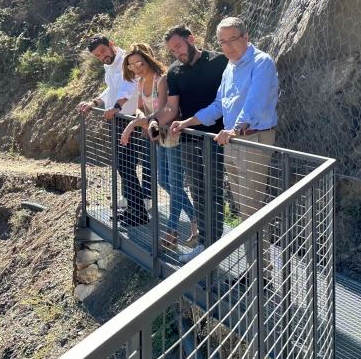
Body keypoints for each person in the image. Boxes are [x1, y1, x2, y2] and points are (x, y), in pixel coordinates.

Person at [170, 17, 278, 269]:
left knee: (251, 208)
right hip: (233, 142)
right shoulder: (229, 68)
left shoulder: (261, 62)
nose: (228, 46)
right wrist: (187, 122)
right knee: (243, 208)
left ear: (246, 37)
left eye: (233, 39)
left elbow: (255, 103)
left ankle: (260, 273)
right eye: (222, 41)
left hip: (253, 140)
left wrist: (235, 129)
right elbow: (219, 106)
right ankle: (260, 269)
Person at [148, 25, 228, 263]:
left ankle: (217, 242)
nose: (177, 53)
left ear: (191, 40)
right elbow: (172, 108)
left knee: (215, 190)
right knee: (197, 189)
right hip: (190, 138)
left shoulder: (220, 61)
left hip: (219, 137)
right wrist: (154, 121)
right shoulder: (174, 72)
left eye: (179, 46)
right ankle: (205, 243)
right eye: (173, 51)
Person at [119, 44, 197, 249]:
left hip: (170, 134)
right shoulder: (140, 82)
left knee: (174, 182)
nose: (137, 69)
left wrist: (134, 125)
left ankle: (171, 232)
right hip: (156, 136)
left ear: (148, 59)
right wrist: (139, 119)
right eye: (132, 66)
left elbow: (163, 113)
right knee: (163, 180)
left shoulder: (161, 80)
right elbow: (139, 108)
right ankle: (197, 220)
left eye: (140, 63)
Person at [76, 34, 145, 225]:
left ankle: (139, 213)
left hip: (129, 121)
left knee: (125, 166)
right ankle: (132, 208)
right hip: (116, 121)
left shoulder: (126, 61)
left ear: (111, 45)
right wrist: (95, 102)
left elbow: (128, 87)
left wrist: (116, 106)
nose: (102, 57)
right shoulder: (109, 65)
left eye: (103, 51)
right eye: (98, 56)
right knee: (123, 167)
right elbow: (111, 89)